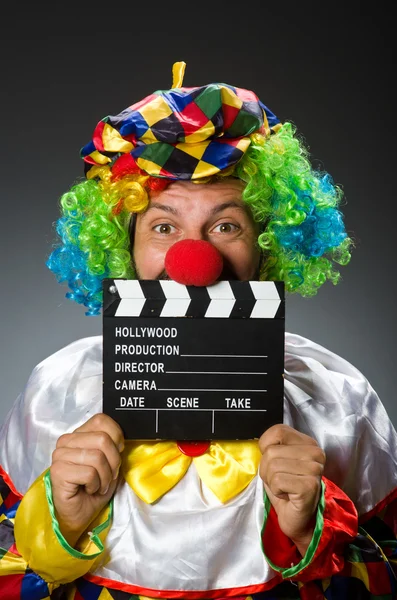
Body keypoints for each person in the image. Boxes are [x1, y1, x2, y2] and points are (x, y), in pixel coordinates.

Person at [0, 62, 396, 600]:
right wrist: (60, 525)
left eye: (227, 226)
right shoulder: (55, 393)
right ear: (124, 247)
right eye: (164, 227)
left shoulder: (340, 401)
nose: (195, 259)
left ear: (269, 243)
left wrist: (309, 530)